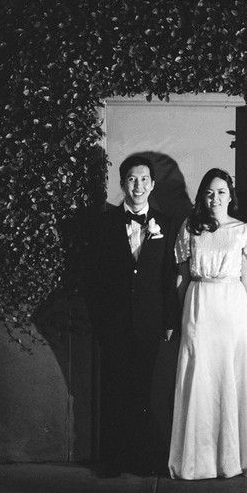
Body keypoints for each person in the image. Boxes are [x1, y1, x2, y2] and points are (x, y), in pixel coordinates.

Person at [85, 155, 178, 476]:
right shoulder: (104, 223)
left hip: (149, 323)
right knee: (114, 390)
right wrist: (99, 322)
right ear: (123, 183)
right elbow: (93, 278)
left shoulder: (166, 224)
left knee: (143, 392)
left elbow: (169, 276)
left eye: (144, 179)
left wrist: (169, 321)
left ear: (152, 185)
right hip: (114, 324)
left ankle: (142, 460)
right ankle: (114, 461)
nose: (138, 186)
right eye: (132, 179)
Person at [168, 168, 247, 480]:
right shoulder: (190, 228)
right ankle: (198, 462)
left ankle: (232, 459)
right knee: (199, 379)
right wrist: (180, 316)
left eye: (221, 192)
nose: (215, 198)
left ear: (230, 195)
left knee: (230, 379)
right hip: (199, 305)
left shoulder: (244, 230)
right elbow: (182, 277)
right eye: (209, 193)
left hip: (232, 309)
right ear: (202, 196)